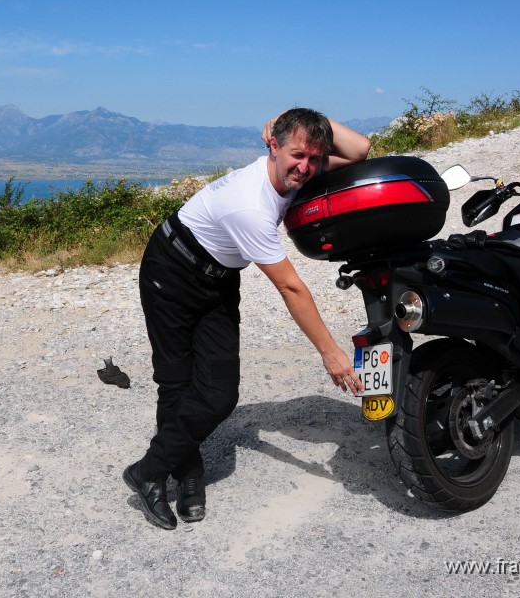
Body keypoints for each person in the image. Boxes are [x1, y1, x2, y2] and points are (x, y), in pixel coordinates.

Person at [123, 107, 371, 529]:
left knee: (219, 392)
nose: (306, 168)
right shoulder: (248, 205)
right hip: (172, 268)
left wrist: (289, 116)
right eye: (297, 155)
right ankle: (181, 472)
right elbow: (292, 288)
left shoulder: (298, 165)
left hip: (218, 277)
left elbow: (361, 149)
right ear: (272, 146)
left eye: (315, 158)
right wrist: (332, 354)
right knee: (176, 381)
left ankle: (148, 469)